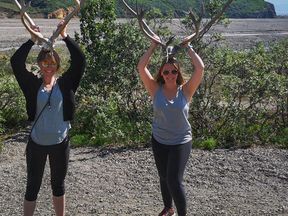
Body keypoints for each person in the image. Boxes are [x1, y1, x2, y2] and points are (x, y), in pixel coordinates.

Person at [10, 21, 85, 216]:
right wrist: (31, 40)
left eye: (52, 63)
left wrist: (66, 37)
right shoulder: (32, 85)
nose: (48, 67)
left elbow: (80, 61)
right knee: (32, 186)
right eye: (44, 63)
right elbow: (16, 63)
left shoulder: (67, 84)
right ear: (39, 65)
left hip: (60, 143)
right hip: (37, 144)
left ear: (58, 65)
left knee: (58, 185)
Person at [137, 35, 204, 216]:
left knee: (174, 181)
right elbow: (141, 67)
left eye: (173, 72)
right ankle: (168, 208)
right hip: (159, 140)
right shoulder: (155, 89)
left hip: (181, 141)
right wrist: (152, 47)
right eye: (165, 72)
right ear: (161, 74)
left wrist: (188, 46)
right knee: (164, 177)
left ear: (178, 73)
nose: (169, 75)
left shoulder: (186, 90)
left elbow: (200, 68)